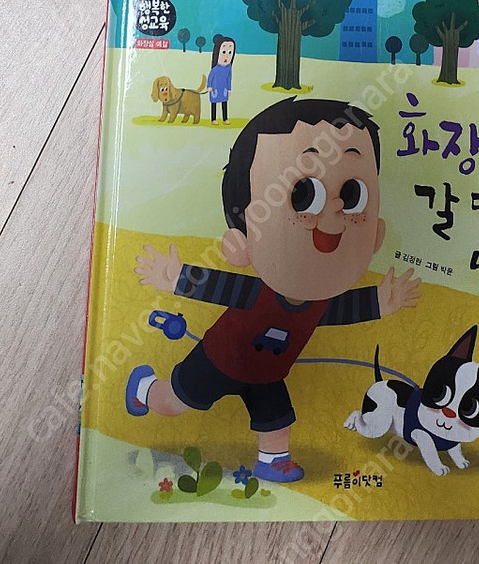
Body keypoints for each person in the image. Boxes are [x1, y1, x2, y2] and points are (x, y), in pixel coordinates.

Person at [126, 97, 421, 482]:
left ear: (376, 233)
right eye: (305, 195)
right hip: (218, 362)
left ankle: (273, 458)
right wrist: (177, 277)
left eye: (352, 195)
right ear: (241, 241)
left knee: (276, 417)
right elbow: (218, 287)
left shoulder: (319, 301)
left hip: (268, 375)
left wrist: (379, 302)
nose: (333, 215)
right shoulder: (256, 292)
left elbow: (342, 310)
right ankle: (144, 387)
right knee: (172, 403)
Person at [208, 34, 236, 124]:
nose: (227, 56)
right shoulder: (215, 69)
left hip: (224, 88)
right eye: (224, 52)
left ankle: (225, 119)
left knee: (224, 103)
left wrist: (229, 89)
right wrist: (209, 86)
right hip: (215, 89)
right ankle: (213, 119)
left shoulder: (228, 68)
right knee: (214, 104)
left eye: (230, 53)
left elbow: (229, 79)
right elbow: (210, 77)